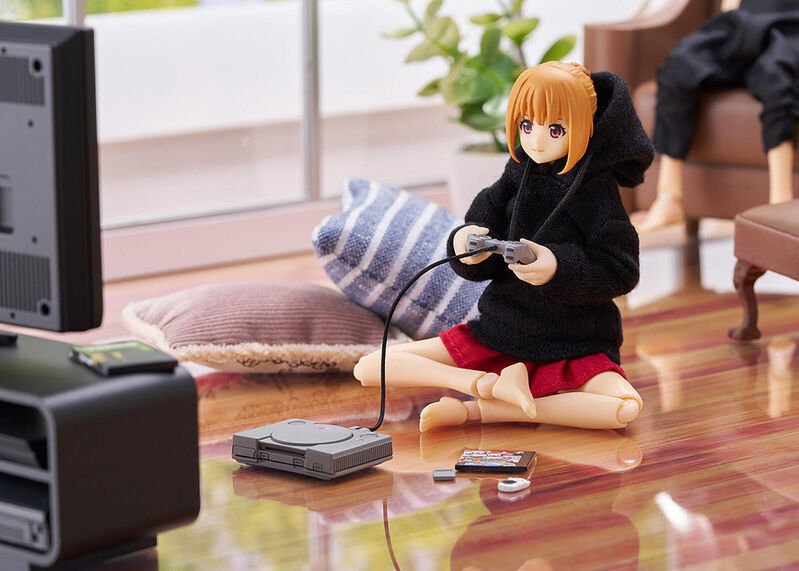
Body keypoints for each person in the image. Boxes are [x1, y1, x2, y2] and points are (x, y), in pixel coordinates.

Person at [354, 61, 653, 432]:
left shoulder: (598, 193)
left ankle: (479, 410)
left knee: (624, 407)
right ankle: (484, 386)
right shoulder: (517, 173)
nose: (537, 140)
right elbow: (479, 235)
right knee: (370, 366)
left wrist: (557, 267)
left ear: (587, 129)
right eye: (527, 125)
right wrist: (466, 246)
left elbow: (621, 270)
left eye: (555, 129)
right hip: (500, 331)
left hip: (574, 342)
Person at [638, 0, 799, 231]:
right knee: (682, 62)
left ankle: (779, 204)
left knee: (777, 74)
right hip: (744, 20)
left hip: (791, 24)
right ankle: (668, 198)